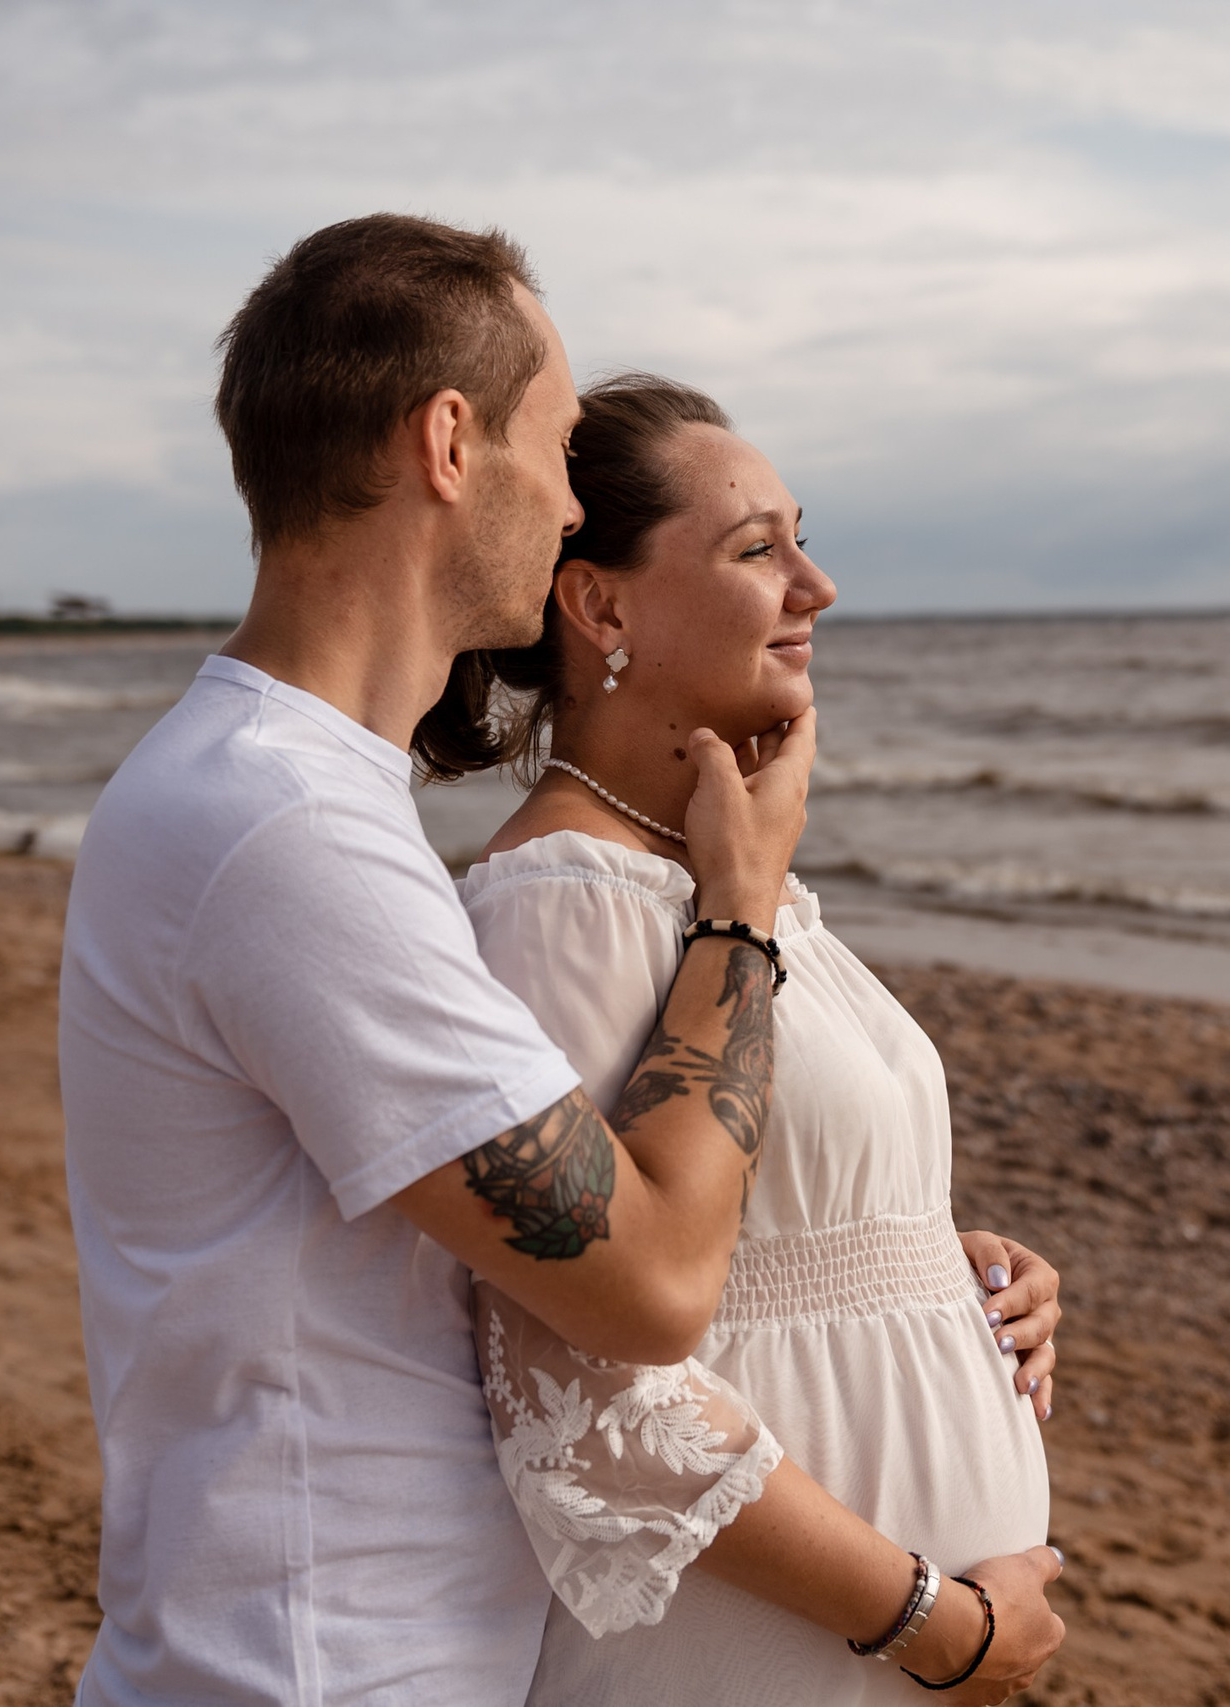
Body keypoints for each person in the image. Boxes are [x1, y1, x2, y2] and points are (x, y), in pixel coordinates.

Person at [59, 216, 816, 1705]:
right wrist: (738, 908)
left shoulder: (289, 796)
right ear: (451, 442)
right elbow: (650, 1281)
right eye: (554, 441)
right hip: (316, 1667)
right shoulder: (282, 832)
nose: (566, 498)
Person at [419, 375, 1064, 1703]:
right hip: (764, 1646)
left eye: (800, 537)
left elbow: (737, 1207)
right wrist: (930, 1623)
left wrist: (945, 1274)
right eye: (758, 548)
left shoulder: (734, 875)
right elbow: (587, 1390)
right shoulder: (567, 903)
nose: (816, 586)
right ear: (600, 604)